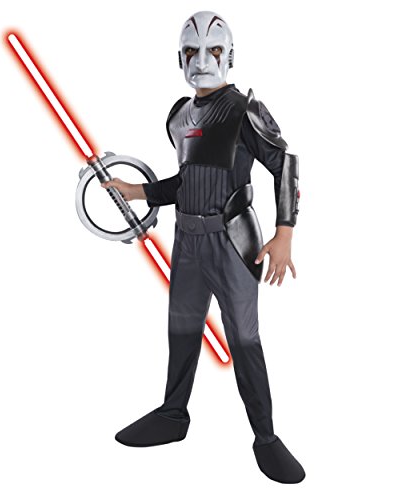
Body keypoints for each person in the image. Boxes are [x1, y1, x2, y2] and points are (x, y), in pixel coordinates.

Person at [101, 10, 304, 484]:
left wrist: (285, 233)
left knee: (245, 341)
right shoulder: (179, 116)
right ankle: (173, 415)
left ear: (229, 55)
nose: (202, 60)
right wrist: (138, 192)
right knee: (182, 330)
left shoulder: (245, 111)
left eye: (213, 50)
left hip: (232, 243)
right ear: (179, 57)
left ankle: (266, 438)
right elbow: (186, 181)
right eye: (191, 51)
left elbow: (285, 165)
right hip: (188, 242)